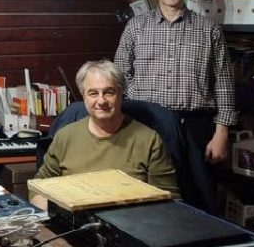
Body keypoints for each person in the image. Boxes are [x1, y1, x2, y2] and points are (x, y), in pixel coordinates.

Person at [114, 0, 236, 207]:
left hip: (195, 127)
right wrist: (138, 98)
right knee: (147, 196)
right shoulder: (136, 27)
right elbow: (119, 73)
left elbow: (224, 82)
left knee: (199, 198)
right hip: (147, 125)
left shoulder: (209, 30)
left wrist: (221, 133)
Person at [32, 60, 179, 210]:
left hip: (130, 221)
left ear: (121, 93)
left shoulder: (149, 141)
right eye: (93, 93)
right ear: (84, 95)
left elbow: (169, 201)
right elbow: (38, 189)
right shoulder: (65, 137)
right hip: (74, 221)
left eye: (109, 92)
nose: (101, 100)